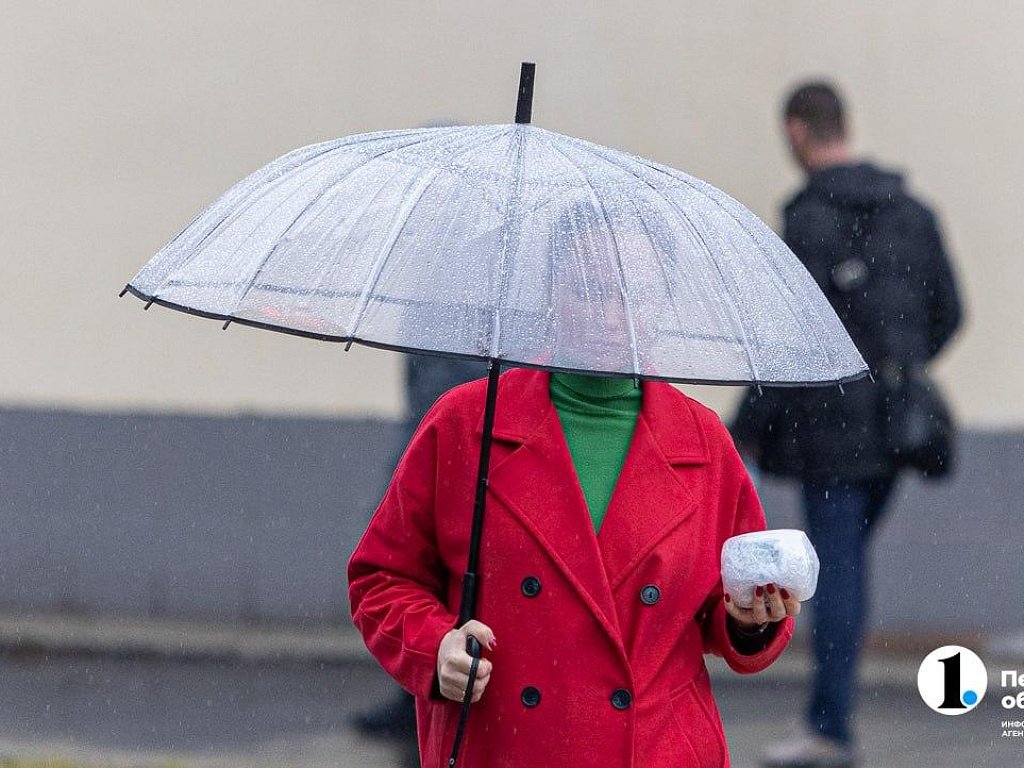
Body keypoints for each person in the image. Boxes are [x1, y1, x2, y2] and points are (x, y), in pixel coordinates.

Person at [348, 200, 801, 767]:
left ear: (662, 302)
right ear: (550, 294)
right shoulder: (468, 424)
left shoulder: (701, 442)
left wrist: (749, 621)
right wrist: (433, 645)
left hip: (658, 750)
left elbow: (725, 607)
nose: (610, 314)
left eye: (632, 293)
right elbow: (383, 577)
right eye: (588, 287)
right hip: (508, 745)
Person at [731, 82, 962, 768]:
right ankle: (830, 722)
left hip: (828, 433)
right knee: (849, 568)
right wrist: (901, 364)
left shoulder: (808, 220)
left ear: (799, 131)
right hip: (895, 431)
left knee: (836, 576)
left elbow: (784, 335)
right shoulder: (913, 214)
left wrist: (744, 425)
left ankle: (830, 730)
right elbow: (948, 311)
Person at [350, 354, 485, 761]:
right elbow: (384, 576)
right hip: (429, 437)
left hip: (473, 440)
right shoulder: (433, 312)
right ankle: (414, 688)